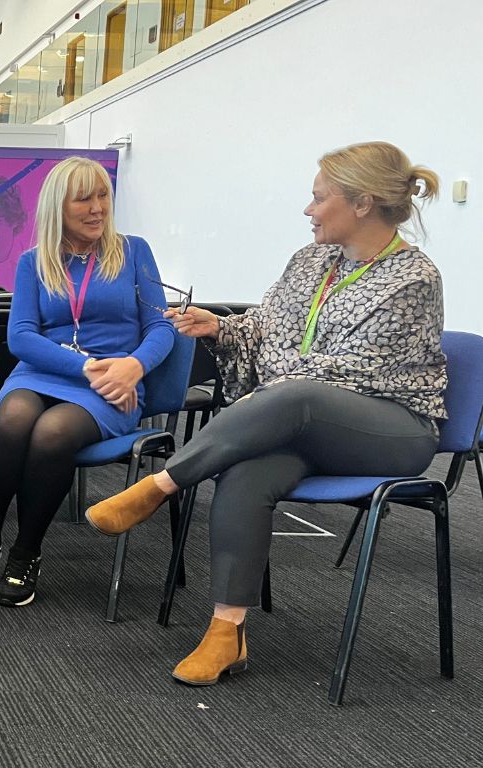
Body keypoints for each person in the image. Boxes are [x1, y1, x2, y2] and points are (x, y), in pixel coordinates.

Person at [86, 141, 445, 686]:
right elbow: (265, 326)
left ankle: (160, 485)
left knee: (296, 396)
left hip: (390, 427)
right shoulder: (309, 261)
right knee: (247, 469)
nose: (308, 209)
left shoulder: (413, 278)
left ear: (362, 203)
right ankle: (225, 633)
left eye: (319, 198)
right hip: (299, 416)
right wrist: (221, 328)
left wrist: (275, 387)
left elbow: (350, 371)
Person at [0, 156, 175, 607]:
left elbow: (161, 327)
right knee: (13, 421)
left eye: (103, 196)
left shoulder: (134, 252)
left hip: (114, 384)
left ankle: (26, 552)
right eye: (83, 199)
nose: (97, 208)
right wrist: (85, 367)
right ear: (58, 206)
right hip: (46, 372)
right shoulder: (33, 261)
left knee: (53, 432)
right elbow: (21, 337)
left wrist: (134, 366)